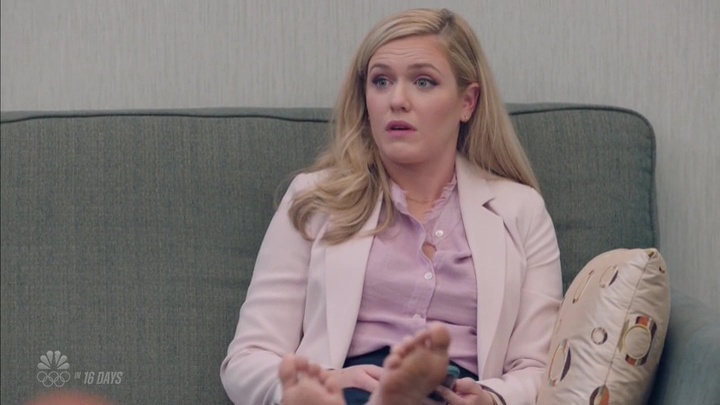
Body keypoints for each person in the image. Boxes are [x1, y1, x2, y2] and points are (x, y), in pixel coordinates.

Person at [220, 7, 562, 405]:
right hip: (345, 388)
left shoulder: (521, 210)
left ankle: (402, 391)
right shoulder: (315, 199)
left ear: (467, 102)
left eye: (423, 82)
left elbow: (538, 368)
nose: (397, 100)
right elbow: (247, 359)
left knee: (431, 388)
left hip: (457, 392)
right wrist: (321, 382)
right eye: (381, 81)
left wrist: (492, 399)